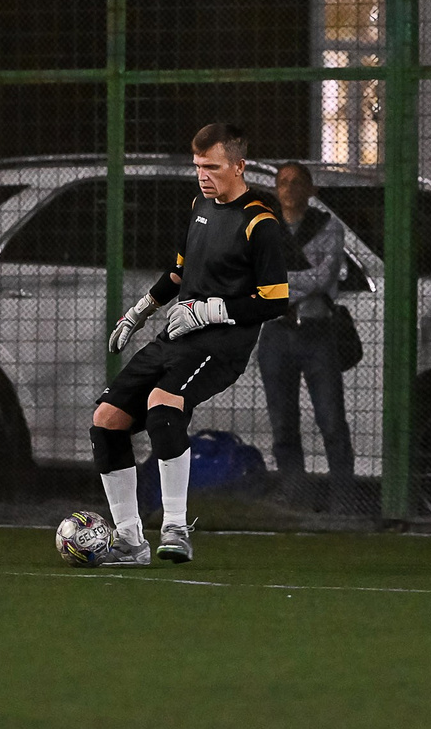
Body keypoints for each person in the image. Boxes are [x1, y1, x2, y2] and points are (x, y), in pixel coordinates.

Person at [95, 123, 290, 565]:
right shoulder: (200, 205)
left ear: (238, 166)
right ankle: (130, 541)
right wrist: (140, 310)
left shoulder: (259, 222)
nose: (203, 175)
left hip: (222, 345)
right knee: (106, 420)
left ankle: (176, 529)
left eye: (212, 167)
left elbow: (275, 300)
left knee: (163, 407)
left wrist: (209, 311)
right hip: (177, 337)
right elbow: (180, 271)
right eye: (198, 166)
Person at [256, 161, 356, 512]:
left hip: (317, 332)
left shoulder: (328, 227)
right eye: (283, 182)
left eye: (298, 182)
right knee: (283, 422)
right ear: (275, 190)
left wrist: (280, 283)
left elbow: (324, 277)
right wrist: (299, 281)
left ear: (311, 189)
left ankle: (343, 498)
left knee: (331, 420)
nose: (290, 188)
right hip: (276, 332)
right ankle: (295, 493)